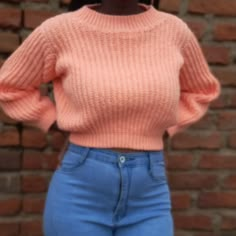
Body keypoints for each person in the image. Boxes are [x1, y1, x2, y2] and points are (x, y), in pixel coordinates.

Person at [0, 0, 221, 235]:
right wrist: (53, 121)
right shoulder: (59, 31)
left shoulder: (174, 32)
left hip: (149, 193)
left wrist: (167, 127)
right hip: (80, 188)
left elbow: (201, 90)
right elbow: (10, 86)